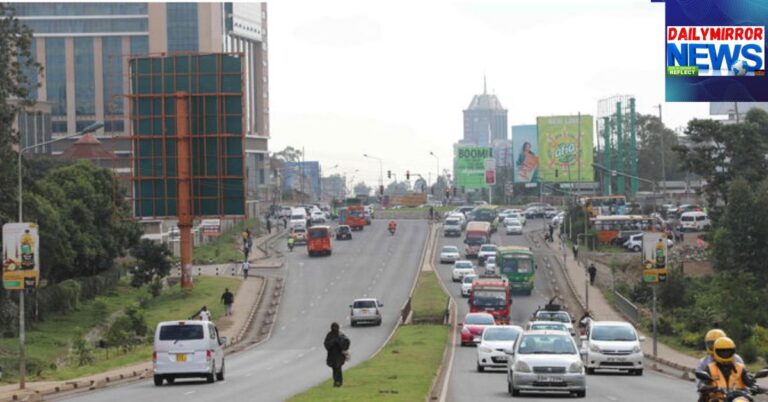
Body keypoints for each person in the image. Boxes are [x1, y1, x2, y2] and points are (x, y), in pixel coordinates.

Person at [324, 322, 350, 387]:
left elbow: (345, 344)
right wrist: (333, 342)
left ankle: (339, 382)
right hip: (332, 355)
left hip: (339, 355)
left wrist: (339, 342)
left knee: (338, 368)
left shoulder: (340, 335)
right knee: (334, 369)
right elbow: (326, 344)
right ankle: (336, 381)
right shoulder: (329, 335)